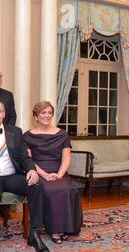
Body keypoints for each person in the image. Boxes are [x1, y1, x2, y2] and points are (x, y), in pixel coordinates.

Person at [0, 101, 50, 252]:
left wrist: (32, 170)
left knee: (37, 185)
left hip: (12, 175)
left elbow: (24, 157)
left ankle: (34, 233)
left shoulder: (15, 131)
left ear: (4, 114)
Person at [23, 101, 83, 244]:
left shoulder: (62, 134)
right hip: (38, 171)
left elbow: (67, 158)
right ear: (35, 116)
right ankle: (55, 230)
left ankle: (66, 227)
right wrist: (44, 174)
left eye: (49, 113)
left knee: (66, 188)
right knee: (49, 189)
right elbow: (28, 160)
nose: (47, 115)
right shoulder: (27, 136)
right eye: (43, 113)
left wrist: (60, 174)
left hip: (58, 171)